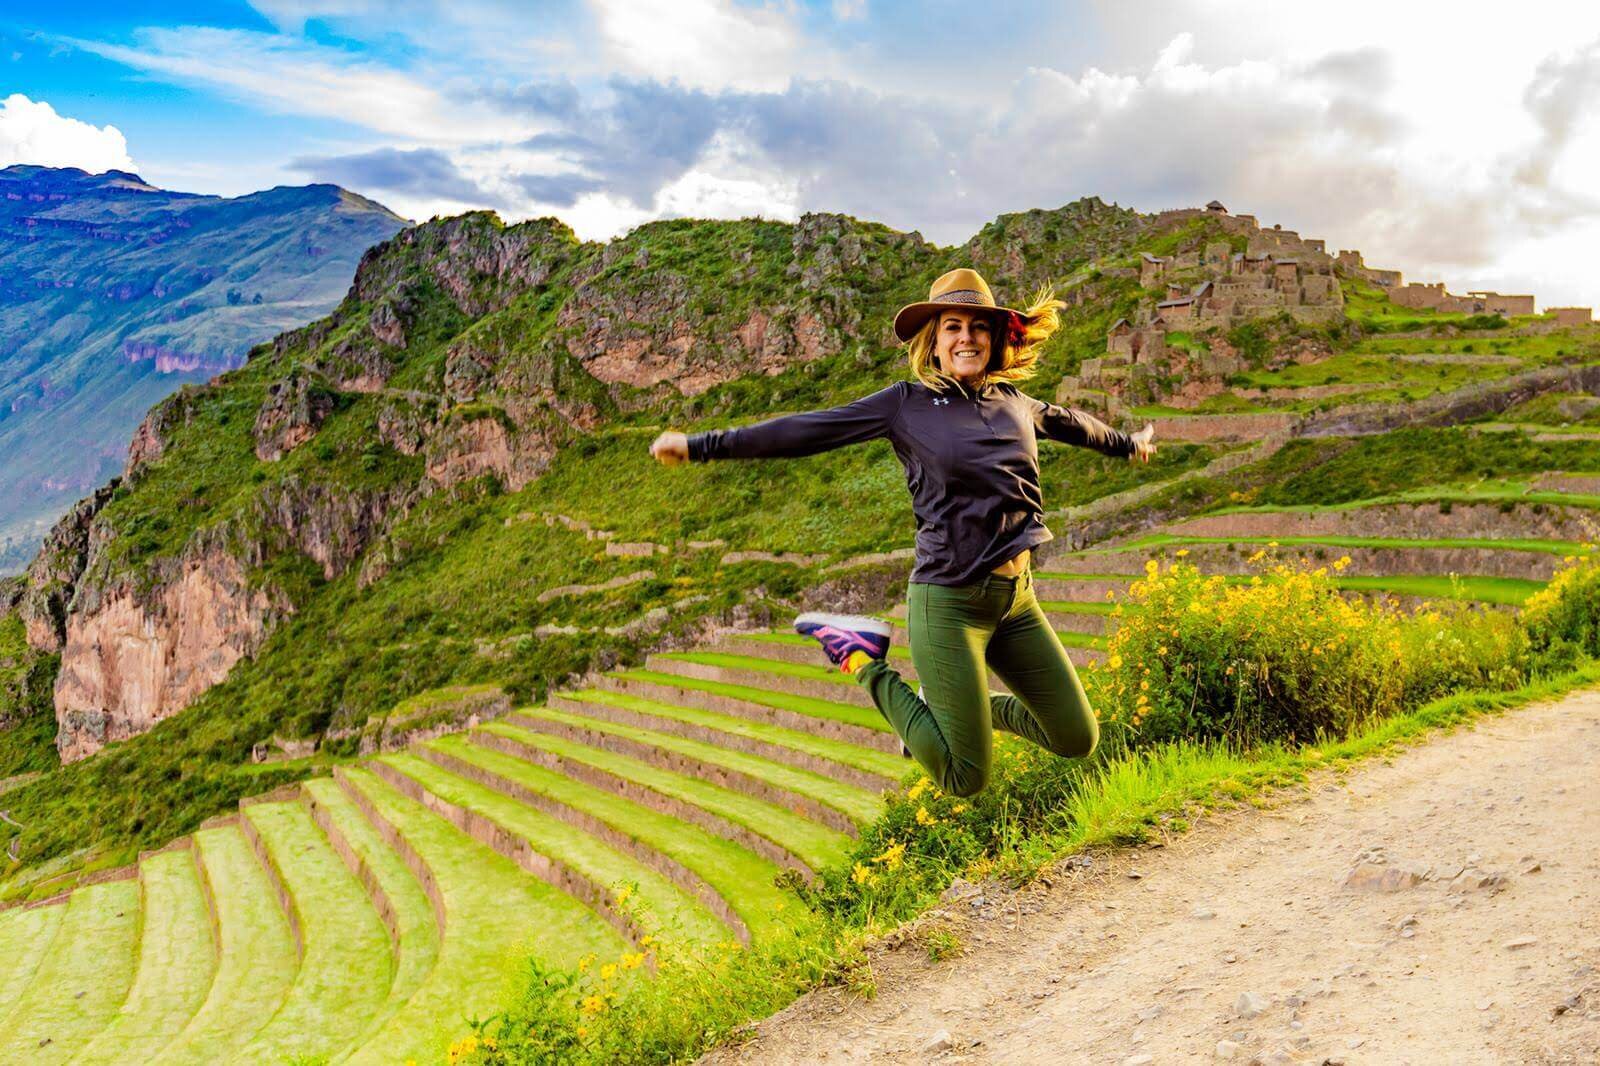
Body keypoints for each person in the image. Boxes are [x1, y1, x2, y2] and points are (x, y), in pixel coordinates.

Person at [649, 267, 1155, 797]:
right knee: (965, 778)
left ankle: (950, 712)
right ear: (932, 342)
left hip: (1016, 602)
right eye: (952, 327)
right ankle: (864, 659)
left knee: (1076, 737)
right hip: (949, 599)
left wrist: (1129, 444)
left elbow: (1075, 424)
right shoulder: (904, 404)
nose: (967, 338)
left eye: (978, 327)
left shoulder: (1015, 402)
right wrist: (704, 445)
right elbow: (808, 430)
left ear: (995, 338)